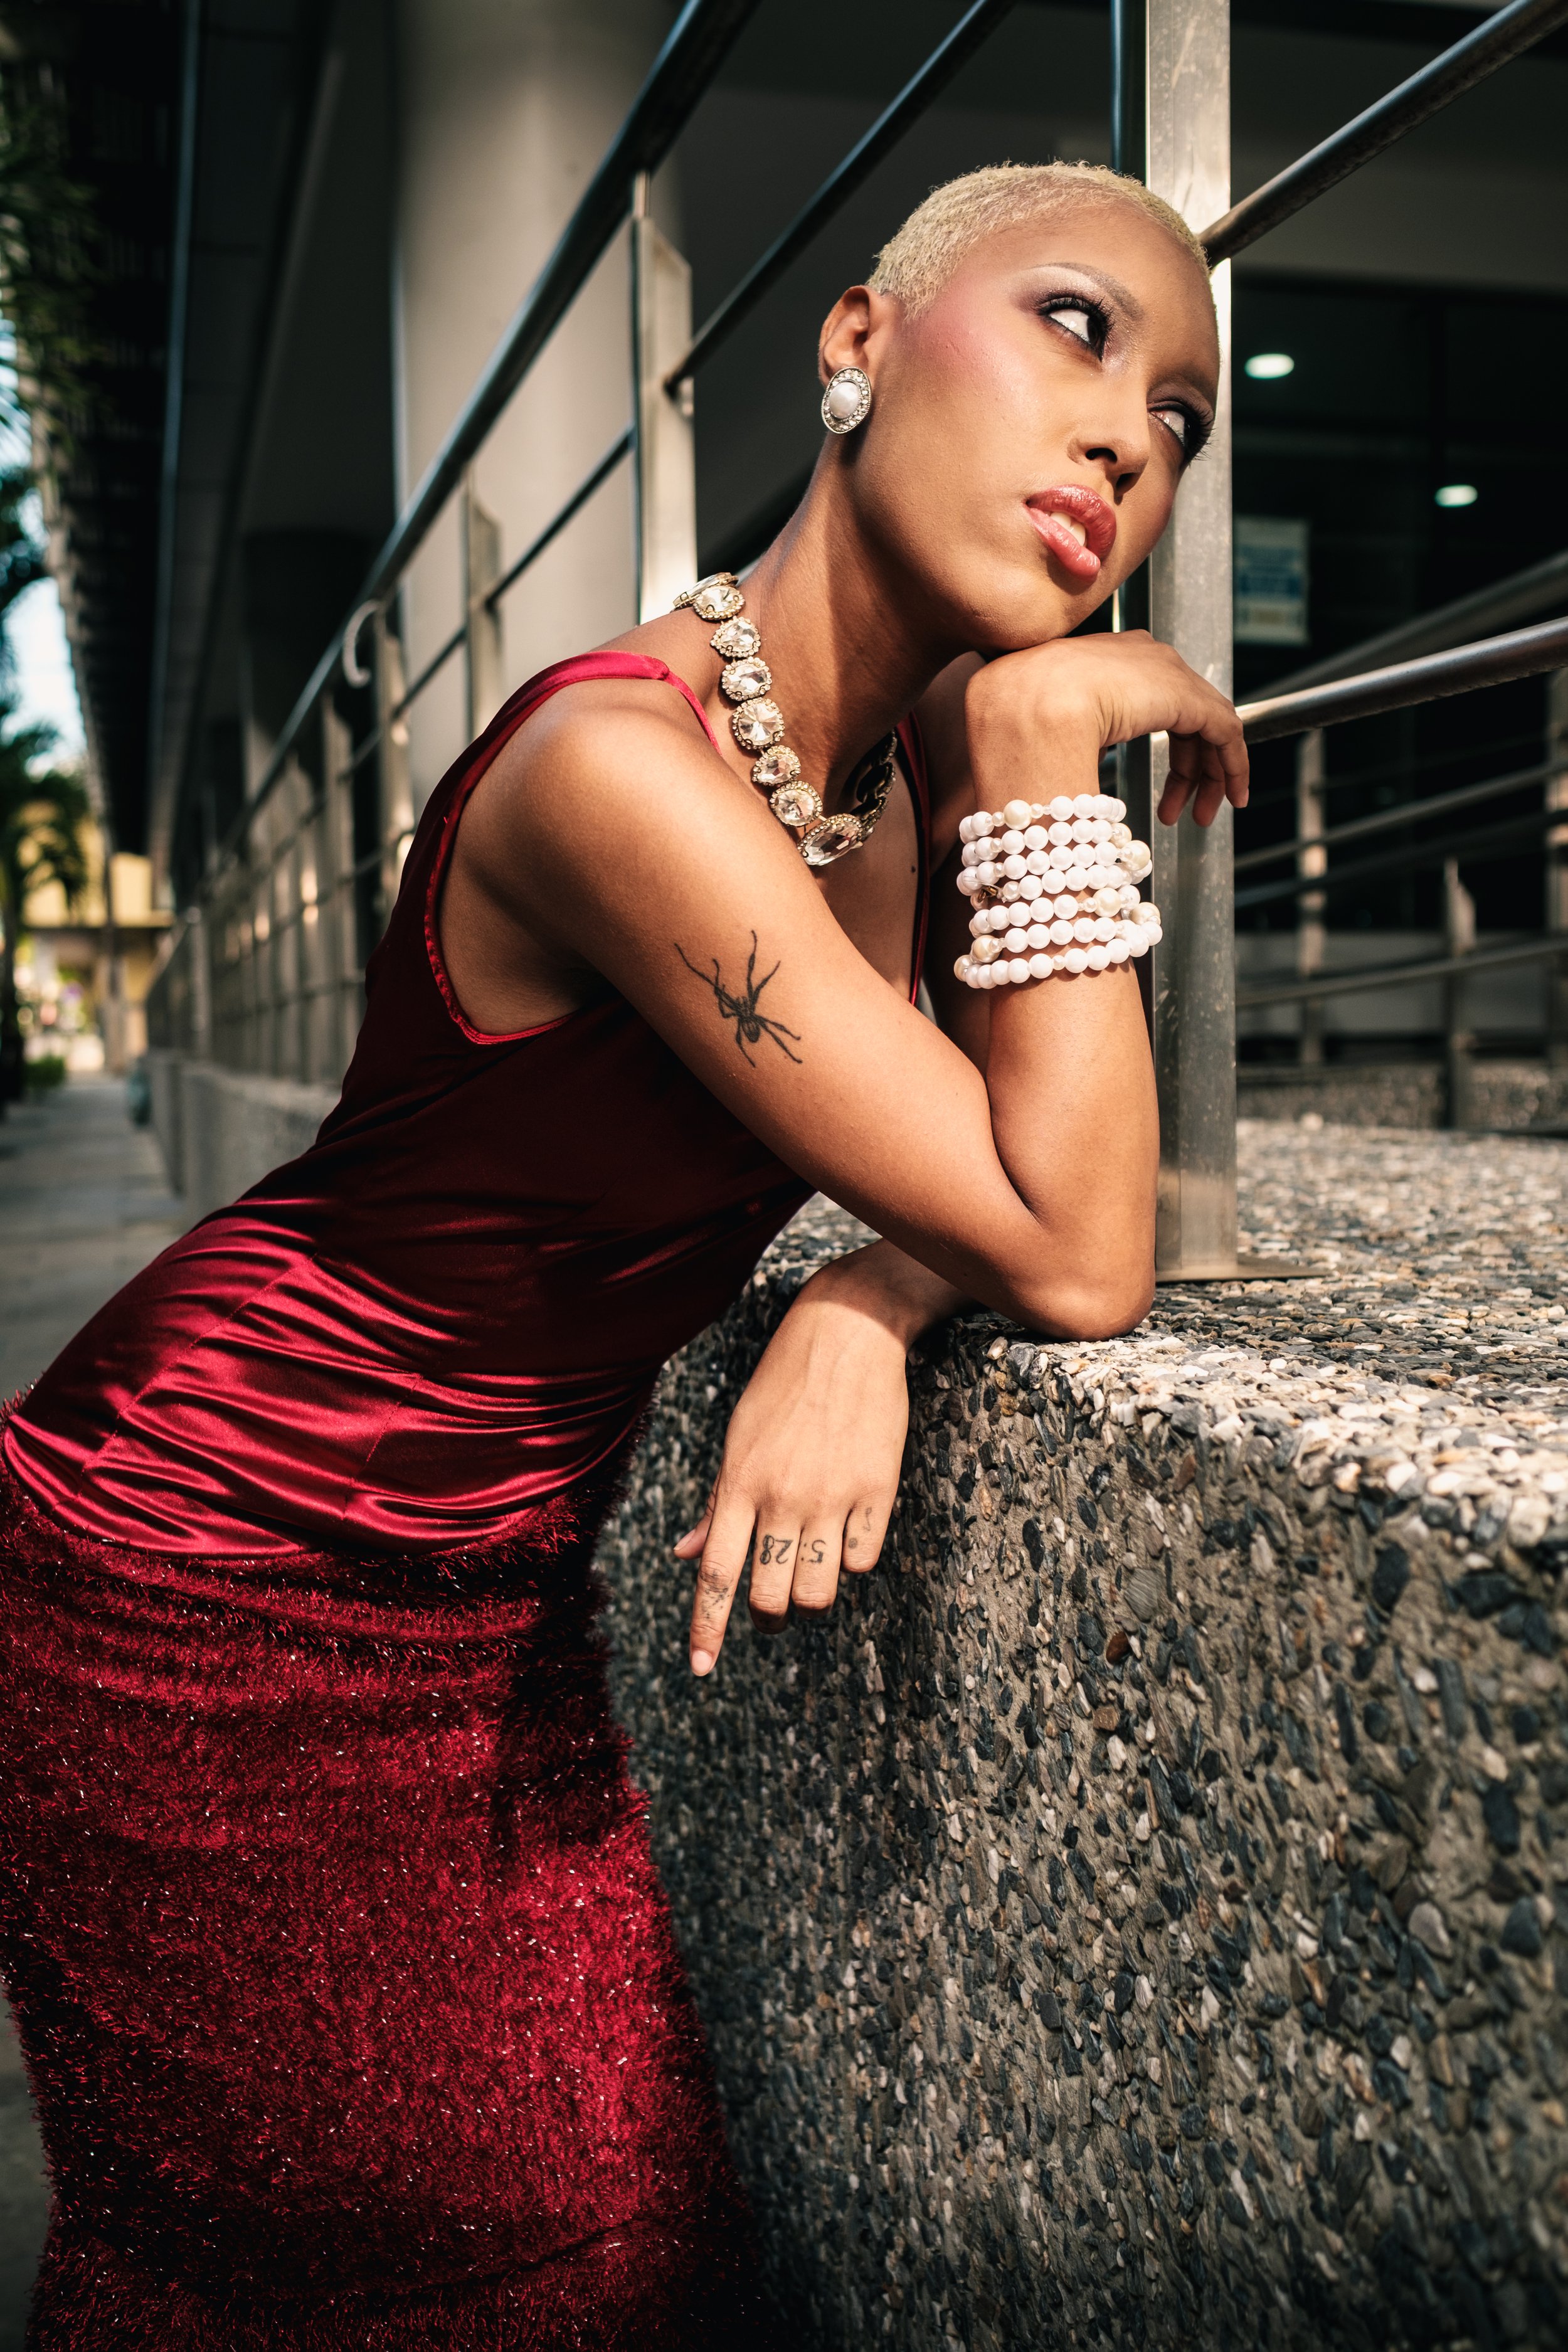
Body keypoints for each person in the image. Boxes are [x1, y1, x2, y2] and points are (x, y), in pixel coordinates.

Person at [0, 162, 1246, 2346]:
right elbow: (1069, 1243)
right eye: (1074, 326)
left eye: (1178, 417)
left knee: (623, 2232)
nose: (1126, 437)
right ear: (854, 342)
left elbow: (1036, 1203)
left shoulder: (906, 779)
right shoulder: (613, 768)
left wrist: (873, 1293)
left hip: (495, 1597)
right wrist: (1053, 739)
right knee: (380, 2259)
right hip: (199, 1566)